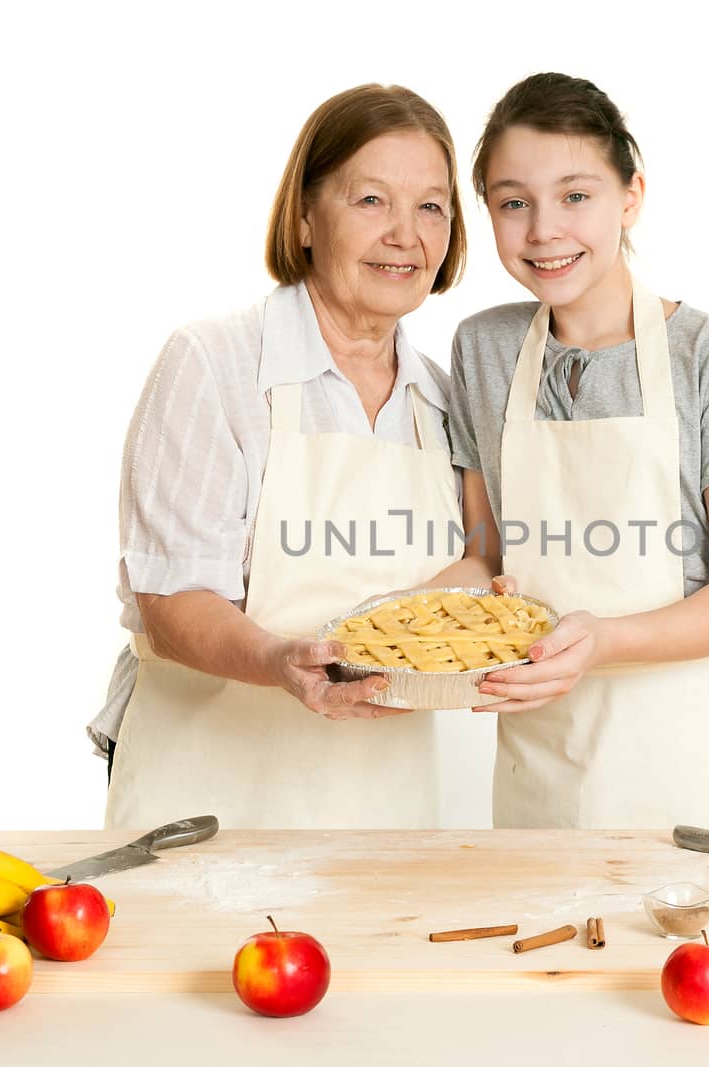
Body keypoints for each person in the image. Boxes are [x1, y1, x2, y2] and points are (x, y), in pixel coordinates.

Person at [429, 72, 709, 829]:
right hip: (550, 765)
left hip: (703, 764)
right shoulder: (486, 349)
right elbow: (488, 556)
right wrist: (389, 630)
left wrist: (601, 640)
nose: (543, 229)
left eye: (576, 195)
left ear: (631, 194)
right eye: (513, 202)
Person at [90, 84, 467, 829]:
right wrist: (276, 663)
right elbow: (171, 603)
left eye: (432, 206)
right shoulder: (215, 364)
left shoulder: (444, 401)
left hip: (392, 802)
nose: (406, 234)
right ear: (302, 216)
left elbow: (465, 581)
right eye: (370, 201)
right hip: (214, 797)